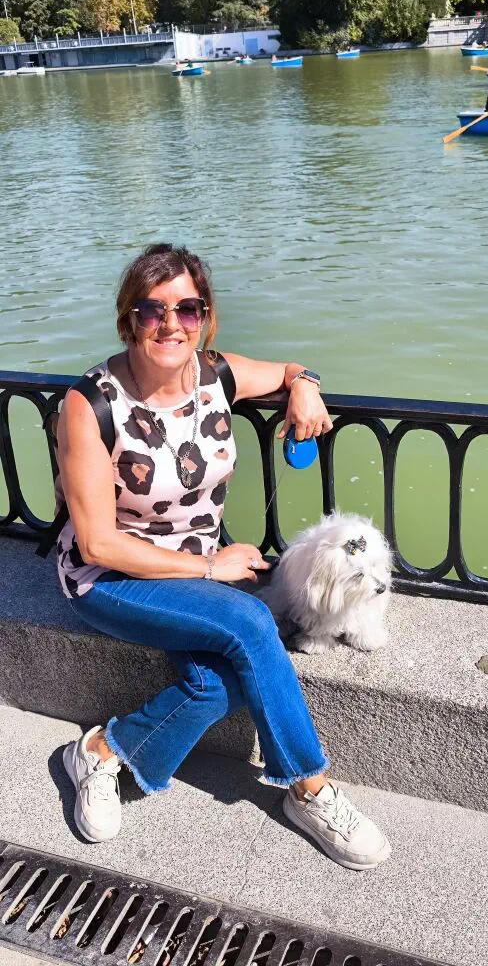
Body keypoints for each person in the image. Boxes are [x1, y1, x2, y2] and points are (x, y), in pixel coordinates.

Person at [57, 243, 391, 872]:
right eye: (152, 310)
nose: (171, 324)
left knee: (220, 679)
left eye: (187, 309)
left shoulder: (217, 376)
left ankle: (102, 751)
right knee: (252, 622)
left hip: (193, 575)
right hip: (110, 578)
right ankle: (310, 789)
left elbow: (290, 368)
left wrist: (306, 385)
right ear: (129, 318)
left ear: (205, 317)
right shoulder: (90, 404)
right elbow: (99, 543)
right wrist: (211, 569)